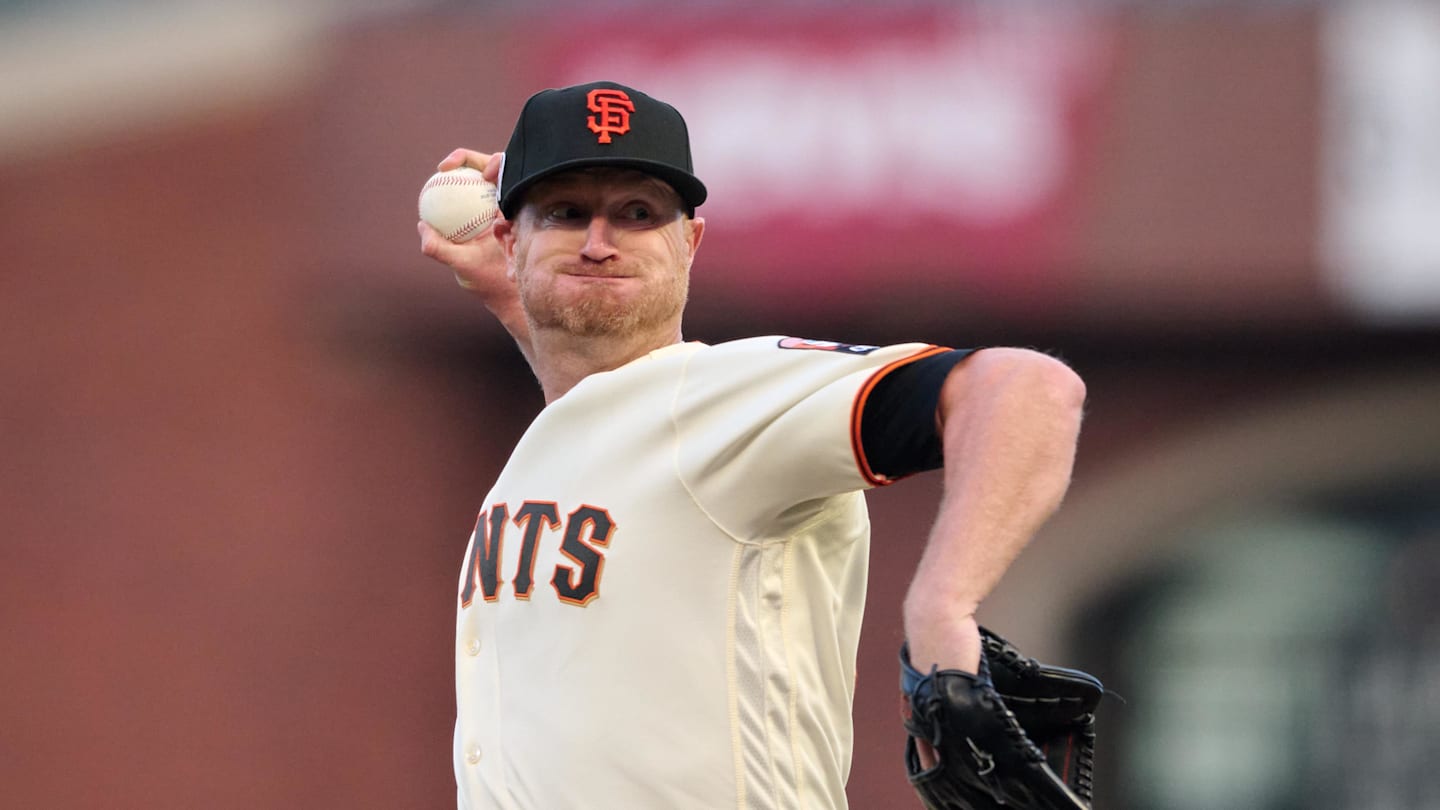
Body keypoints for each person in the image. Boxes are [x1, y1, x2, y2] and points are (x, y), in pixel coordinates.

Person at [417, 81, 1086, 810]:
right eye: (567, 213)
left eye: (637, 214)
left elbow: (1026, 390)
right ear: (510, 239)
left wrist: (941, 606)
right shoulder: (567, 431)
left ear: (690, 243)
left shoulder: (728, 397)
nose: (600, 242)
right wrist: (519, 296)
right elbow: (596, 397)